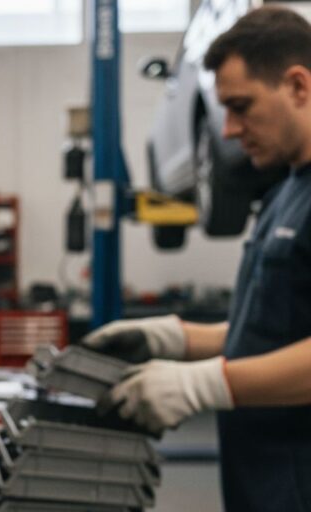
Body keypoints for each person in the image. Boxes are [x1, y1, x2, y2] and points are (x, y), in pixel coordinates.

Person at [83, 6, 311, 512]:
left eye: (241, 106)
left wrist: (206, 383)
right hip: (264, 483)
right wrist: (177, 336)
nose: (227, 129)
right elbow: (275, 329)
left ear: (299, 86)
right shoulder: (285, 192)